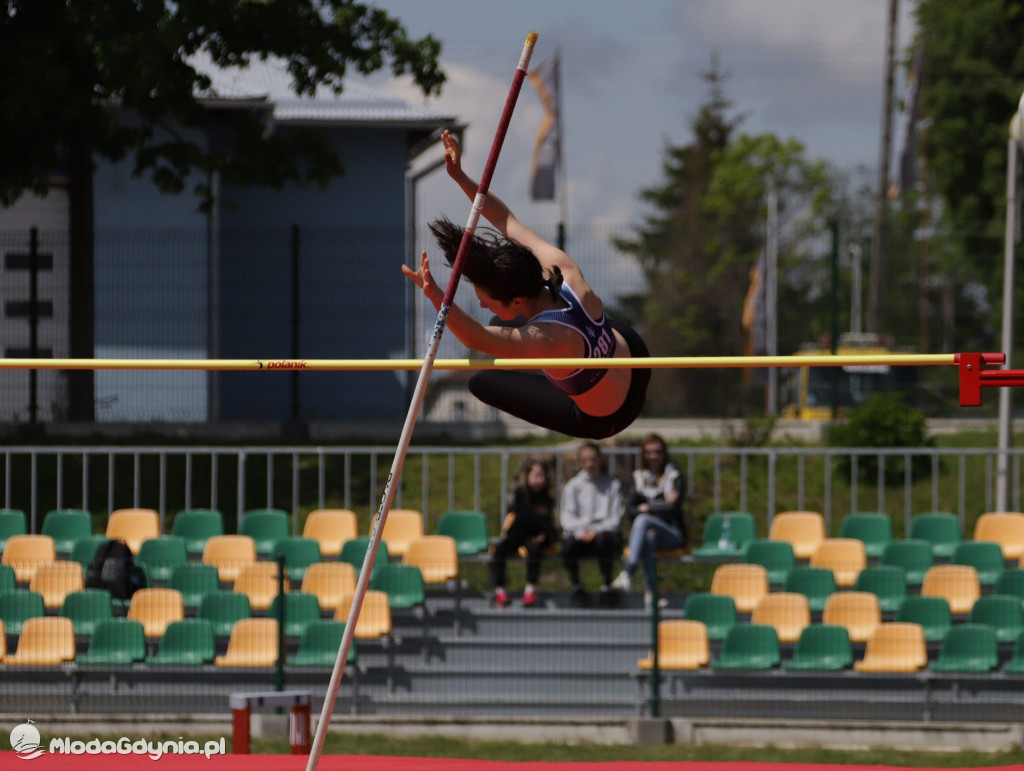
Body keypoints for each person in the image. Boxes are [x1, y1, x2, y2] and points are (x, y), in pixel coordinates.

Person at [402, 130, 650, 440]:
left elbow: (476, 338)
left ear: (516, 300)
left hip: (610, 416)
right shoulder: (562, 268)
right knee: (499, 324)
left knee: (481, 381)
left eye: (486, 298)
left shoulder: (547, 339)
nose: (480, 304)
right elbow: (505, 219)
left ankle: (563, 369)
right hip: (633, 353)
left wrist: (437, 296)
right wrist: (460, 177)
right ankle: (568, 362)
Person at [611, 434, 687, 610]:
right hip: (651, 536)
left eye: (658, 452)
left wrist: (648, 507)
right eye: (649, 452)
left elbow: (673, 509)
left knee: (644, 519)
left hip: (672, 534)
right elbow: (630, 510)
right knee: (648, 536)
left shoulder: (674, 476)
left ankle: (628, 572)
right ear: (643, 454)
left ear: (664, 453)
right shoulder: (639, 478)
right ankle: (651, 595)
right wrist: (661, 504)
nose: (654, 456)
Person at [559, 442, 625, 607]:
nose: (589, 464)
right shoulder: (573, 486)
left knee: (605, 543)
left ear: (600, 460)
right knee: (567, 548)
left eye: (593, 459)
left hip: (603, 534)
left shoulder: (612, 485)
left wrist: (595, 530)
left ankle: (606, 586)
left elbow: (615, 518)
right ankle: (577, 587)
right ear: (580, 462)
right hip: (579, 534)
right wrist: (580, 532)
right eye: (585, 460)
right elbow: (566, 517)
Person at [490, 457, 560, 608]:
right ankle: (500, 589)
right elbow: (524, 517)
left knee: (534, 550)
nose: (540, 479)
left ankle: (530, 589)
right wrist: (542, 523)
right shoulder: (521, 494)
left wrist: (544, 534)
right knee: (499, 551)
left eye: (542, 475)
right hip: (518, 534)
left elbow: (547, 523)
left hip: (536, 538)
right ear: (527, 476)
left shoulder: (547, 498)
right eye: (536, 475)